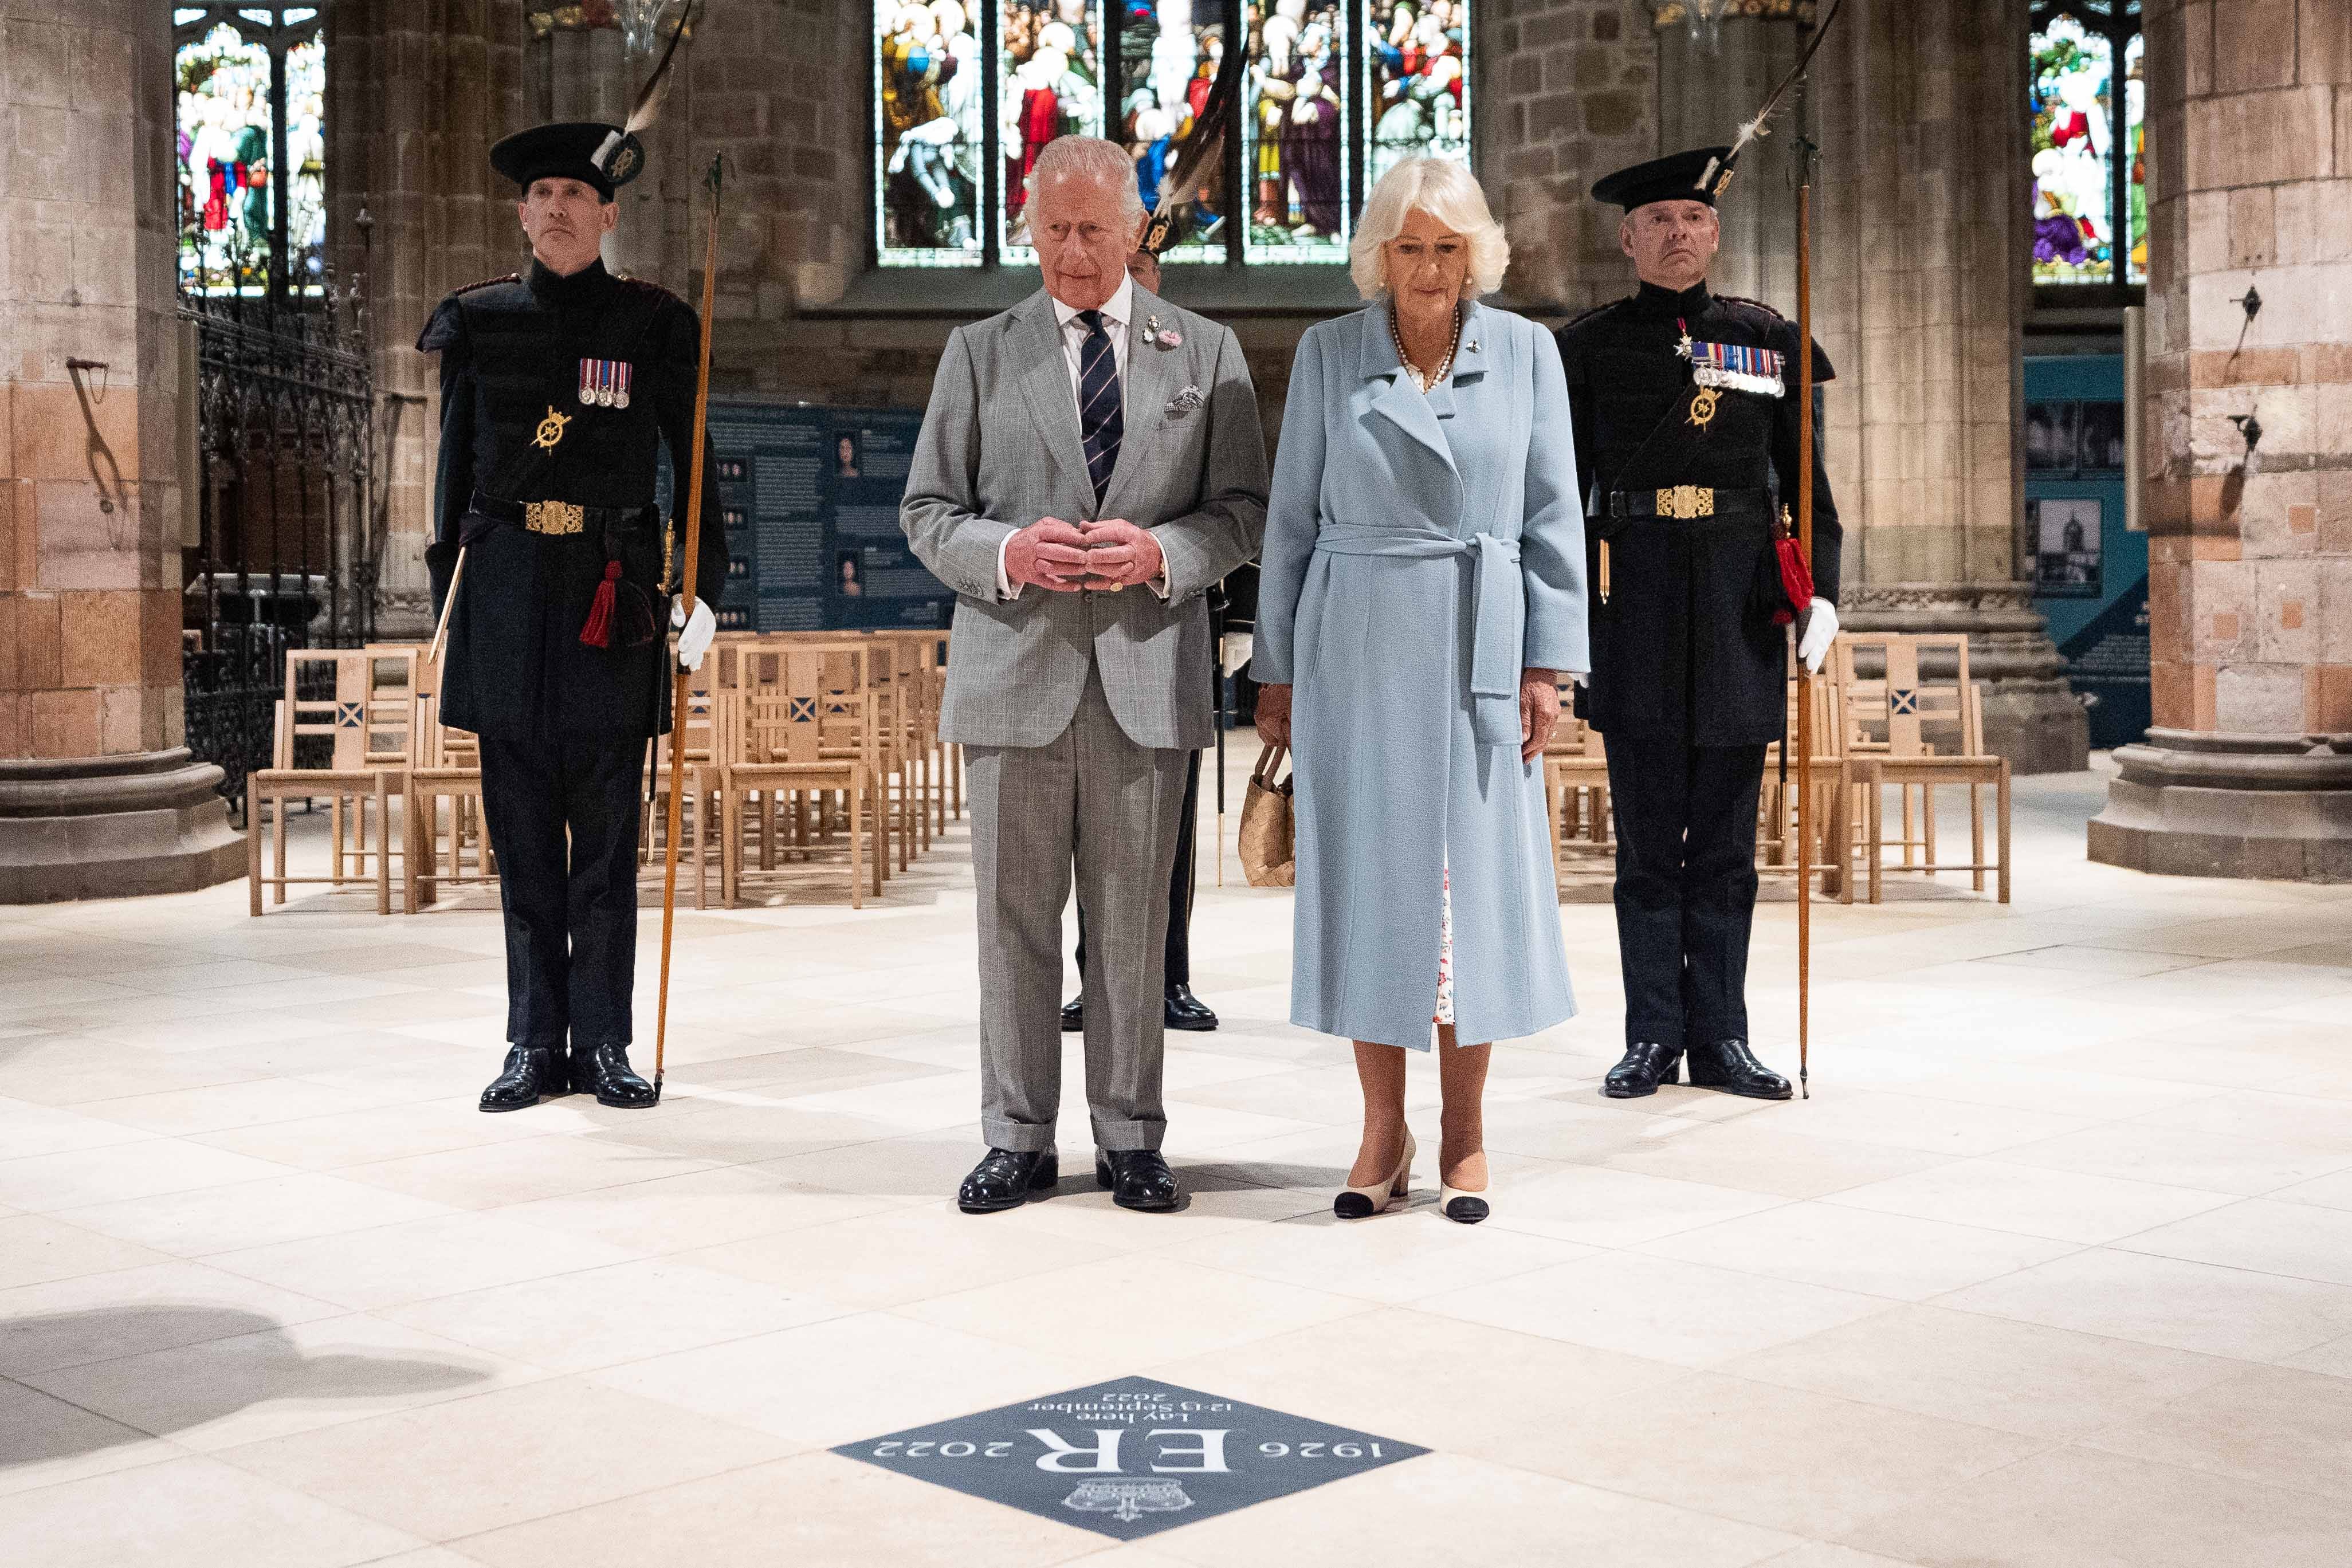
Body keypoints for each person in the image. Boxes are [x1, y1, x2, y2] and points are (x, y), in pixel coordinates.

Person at [901, 135, 1267, 1215]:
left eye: (1092, 229)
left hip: (1147, 676)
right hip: (1013, 673)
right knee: (1012, 921)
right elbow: (927, 511)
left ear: (1135, 228)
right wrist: (1006, 552)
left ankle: (1129, 1136)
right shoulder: (979, 351)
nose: (1070, 249)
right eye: (1052, 228)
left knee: (1130, 927)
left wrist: (1167, 553)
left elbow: (1244, 511)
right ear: (1027, 224)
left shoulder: (1202, 351)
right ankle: (1015, 1135)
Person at [1255, 156, 1587, 1225]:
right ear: (1379, 257)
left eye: (1448, 247)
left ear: (1477, 255)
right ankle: (1378, 1130)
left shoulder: (1529, 352)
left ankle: (1466, 1129)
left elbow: (1550, 520)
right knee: (1370, 886)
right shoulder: (1326, 354)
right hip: (1355, 644)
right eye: (1410, 246)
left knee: (1470, 898)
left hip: (1479, 645)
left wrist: (1547, 663)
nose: (1430, 267)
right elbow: (1290, 523)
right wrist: (1276, 673)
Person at [420, 121, 725, 1113]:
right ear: (520, 212)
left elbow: (691, 465)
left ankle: (601, 1043)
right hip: (506, 600)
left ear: (609, 214)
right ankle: (528, 1043)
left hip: (613, 598)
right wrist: (450, 607)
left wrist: (703, 589)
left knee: (602, 847)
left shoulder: (654, 324)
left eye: (574, 195)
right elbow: (452, 482)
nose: (555, 208)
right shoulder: (477, 320)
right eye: (540, 193)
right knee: (519, 847)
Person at [1556, 146, 1843, 1103]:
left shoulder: (1766, 342)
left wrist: (1824, 593)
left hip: (1736, 615)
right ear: (1628, 239)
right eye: (1659, 221)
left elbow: (1807, 487)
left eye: (1693, 219)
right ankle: (1651, 1036)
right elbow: (1556, 500)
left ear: (1715, 234)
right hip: (1630, 610)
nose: (1678, 234)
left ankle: (1722, 1036)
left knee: (1724, 848)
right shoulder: (1585, 351)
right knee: (1644, 851)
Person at [1061, 243, 1224, 1036]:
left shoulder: (1195, 357)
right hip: (1068, 636)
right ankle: (1095, 978)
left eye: (1142, 266)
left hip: (1163, 628)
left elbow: (1235, 501)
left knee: (1170, 837)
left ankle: (1169, 976)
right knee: (1085, 836)